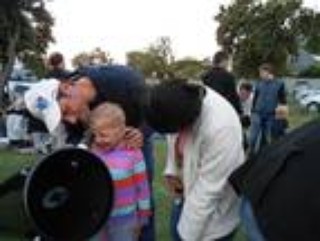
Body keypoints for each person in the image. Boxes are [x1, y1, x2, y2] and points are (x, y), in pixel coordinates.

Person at [23, 65, 156, 241]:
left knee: (141, 188)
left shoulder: (122, 81)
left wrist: (140, 133)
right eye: (62, 118)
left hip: (135, 131)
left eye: (65, 111)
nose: (71, 120)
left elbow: (152, 112)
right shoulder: (72, 119)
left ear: (67, 87)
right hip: (99, 146)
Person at [144, 80, 245, 241]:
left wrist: (187, 237)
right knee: (177, 229)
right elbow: (174, 136)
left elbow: (208, 191)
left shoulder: (222, 129)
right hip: (185, 196)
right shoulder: (180, 99)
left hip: (214, 217)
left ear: (186, 122)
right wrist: (173, 170)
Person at [89, 103, 151, 241]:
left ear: (121, 131)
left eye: (103, 135)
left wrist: (143, 216)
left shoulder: (134, 153)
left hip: (125, 221)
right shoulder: (91, 151)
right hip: (96, 219)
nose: (98, 139)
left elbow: (143, 187)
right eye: (95, 134)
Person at [249, 63, 288, 154]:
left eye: (261, 72)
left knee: (269, 138)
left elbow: (283, 101)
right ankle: (250, 155)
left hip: (271, 115)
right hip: (257, 114)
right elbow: (255, 98)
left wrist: (283, 119)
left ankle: (267, 156)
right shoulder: (258, 83)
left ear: (268, 72)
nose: (260, 74)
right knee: (253, 138)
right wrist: (252, 111)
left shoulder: (279, 84)